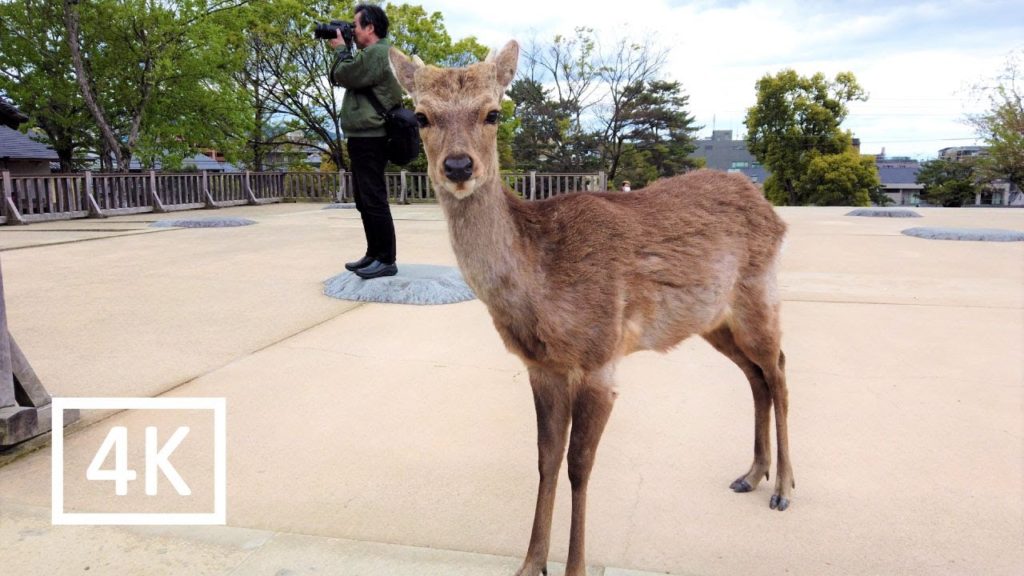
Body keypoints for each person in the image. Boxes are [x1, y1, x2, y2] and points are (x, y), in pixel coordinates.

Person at [328, 4, 403, 279]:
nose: (352, 30)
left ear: (370, 28)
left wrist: (340, 48)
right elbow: (346, 75)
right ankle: (374, 253)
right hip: (363, 137)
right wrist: (345, 49)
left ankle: (386, 259)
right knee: (364, 198)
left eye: (355, 26)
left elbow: (344, 74)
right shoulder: (372, 54)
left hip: (372, 137)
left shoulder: (378, 53)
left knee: (373, 198)